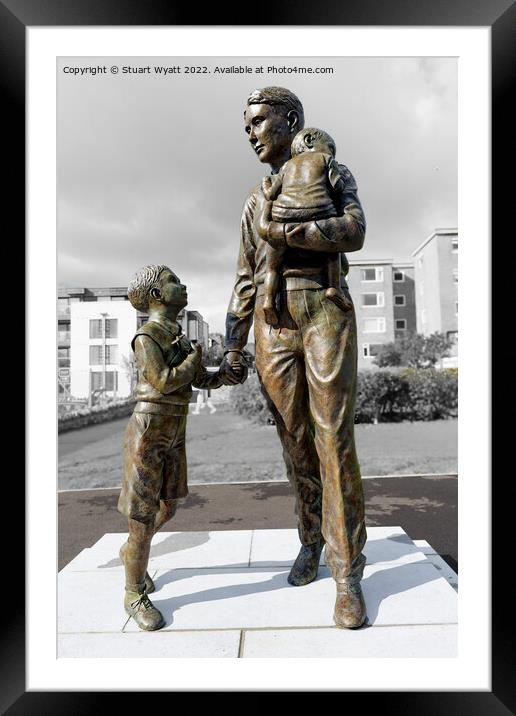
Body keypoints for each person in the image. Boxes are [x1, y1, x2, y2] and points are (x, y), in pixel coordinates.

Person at [219, 87, 368, 628]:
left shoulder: (330, 170)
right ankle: (312, 540)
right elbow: (242, 277)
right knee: (296, 439)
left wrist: (291, 231)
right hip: (271, 323)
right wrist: (233, 346)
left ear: (290, 119)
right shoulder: (253, 199)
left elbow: (354, 229)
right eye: (246, 127)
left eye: (259, 122)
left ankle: (347, 571)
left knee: (332, 435)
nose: (252, 134)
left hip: (323, 307)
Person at [117, 264, 223, 630]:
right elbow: (162, 380)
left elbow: (198, 378)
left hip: (175, 430)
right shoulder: (146, 337)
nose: (183, 286)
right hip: (149, 431)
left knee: (169, 507)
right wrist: (195, 359)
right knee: (143, 517)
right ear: (158, 296)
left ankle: (132, 550)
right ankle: (133, 593)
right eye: (174, 282)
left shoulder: (179, 334)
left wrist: (224, 372)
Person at [257, 126, 352, 326]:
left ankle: (268, 300)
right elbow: (337, 185)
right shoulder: (326, 160)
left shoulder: (286, 167)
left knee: (272, 268)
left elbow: (271, 193)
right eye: (330, 148)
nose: (331, 153)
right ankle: (334, 287)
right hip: (317, 212)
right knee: (332, 247)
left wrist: (266, 185)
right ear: (309, 140)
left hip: (281, 216)